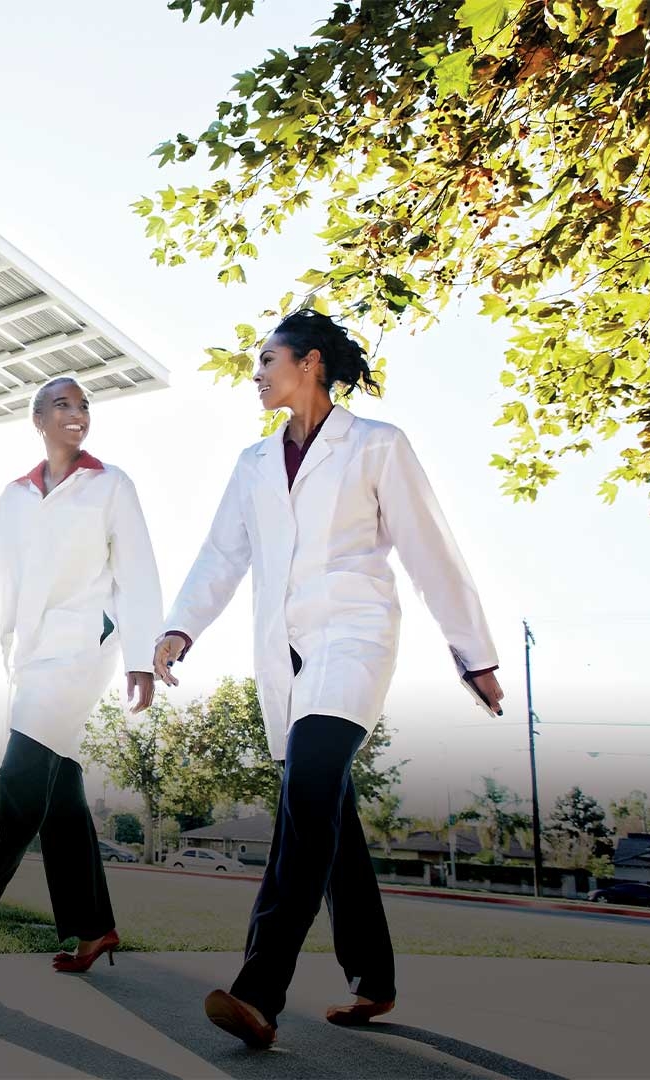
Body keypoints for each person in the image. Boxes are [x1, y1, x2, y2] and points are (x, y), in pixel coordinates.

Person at [154, 309, 503, 1048]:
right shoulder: (252, 465)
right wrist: (180, 627)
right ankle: (373, 979)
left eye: (267, 360)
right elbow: (222, 556)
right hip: (282, 658)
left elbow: (429, 548)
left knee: (307, 792)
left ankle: (259, 991)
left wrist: (473, 652)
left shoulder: (376, 446)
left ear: (310, 363)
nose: (256, 374)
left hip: (354, 639)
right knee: (330, 819)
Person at [0, 376, 162, 981]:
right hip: (28, 659)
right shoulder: (14, 497)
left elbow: (137, 570)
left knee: (20, 781)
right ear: (39, 419)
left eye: (84, 406)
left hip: (83, 651)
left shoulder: (111, 485)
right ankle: (94, 926)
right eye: (63, 404)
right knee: (58, 795)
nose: (77, 413)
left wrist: (140, 654)